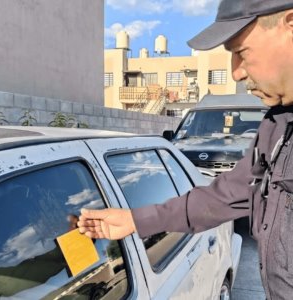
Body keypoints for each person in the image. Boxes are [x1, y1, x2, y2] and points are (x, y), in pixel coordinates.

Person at [78, 1, 293, 299]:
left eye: (241, 52)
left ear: (290, 23)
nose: (235, 73)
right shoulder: (278, 124)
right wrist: (134, 220)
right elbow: (227, 196)